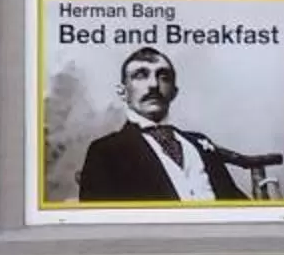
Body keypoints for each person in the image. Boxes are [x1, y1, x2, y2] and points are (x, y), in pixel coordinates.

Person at [77, 47, 246, 202]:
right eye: (141, 75)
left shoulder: (199, 142)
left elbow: (236, 201)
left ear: (174, 92)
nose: (154, 85)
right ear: (123, 92)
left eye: (163, 77)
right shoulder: (106, 150)